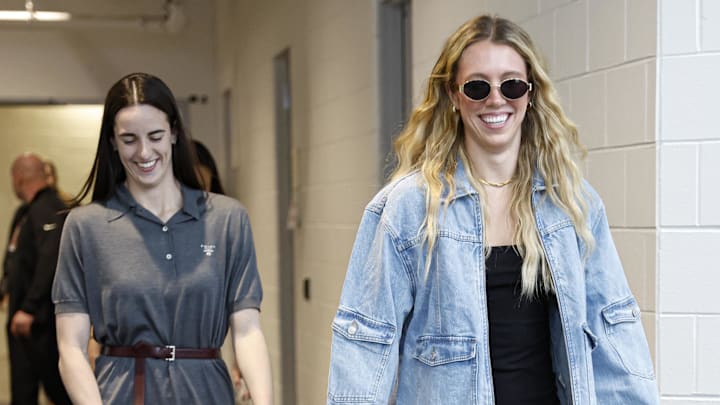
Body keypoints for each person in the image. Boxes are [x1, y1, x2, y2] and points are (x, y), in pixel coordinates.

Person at [327, 15, 659, 405]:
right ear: (454, 95)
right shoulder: (410, 208)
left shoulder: (571, 204)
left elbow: (615, 335)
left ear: (531, 93)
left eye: (512, 85)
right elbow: (366, 343)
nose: (496, 99)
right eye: (477, 86)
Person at [51, 72, 274, 405]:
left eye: (155, 135)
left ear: (174, 133)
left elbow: (247, 330)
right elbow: (70, 347)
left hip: (208, 393)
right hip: (122, 393)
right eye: (129, 139)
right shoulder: (86, 226)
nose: (143, 152)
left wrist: (264, 401)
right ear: (112, 141)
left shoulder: (228, 219)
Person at [3, 153, 71, 405]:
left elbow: (50, 260)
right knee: (23, 391)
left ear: (18, 178)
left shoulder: (49, 208)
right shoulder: (26, 212)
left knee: (59, 389)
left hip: (41, 322)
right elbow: (15, 261)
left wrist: (29, 308)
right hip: (25, 322)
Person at [192, 138, 251, 402]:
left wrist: (242, 361)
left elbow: (238, 308)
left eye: (203, 184)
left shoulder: (226, 222)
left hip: (206, 361)